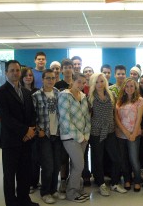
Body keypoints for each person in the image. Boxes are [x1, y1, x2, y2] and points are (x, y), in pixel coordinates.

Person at [0, 60, 39, 206]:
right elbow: (6, 118)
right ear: (6, 72)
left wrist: (31, 130)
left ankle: (24, 200)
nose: (15, 73)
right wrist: (25, 130)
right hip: (10, 142)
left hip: (26, 140)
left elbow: (32, 114)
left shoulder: (26, 92)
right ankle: (11, 203)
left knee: (24, 174)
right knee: (9, 175)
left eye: (17, 70)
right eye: (12, 70)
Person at [88, 73, 127, 196]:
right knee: (98, 160)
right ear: (93, 84)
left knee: (116, 158)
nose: (100, 84)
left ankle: (115, 183)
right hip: (96, 132)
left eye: (102, 81)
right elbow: (88, 116)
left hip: (110, 131)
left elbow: (114, 112)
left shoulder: (111, 94)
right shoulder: (90, 97)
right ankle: (101, 184)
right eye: (97, 82)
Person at [32, 69, 65, 204]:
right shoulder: (36, 96)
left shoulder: (59, 94)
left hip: (57, 134)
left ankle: (53, 190)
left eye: (52, 78)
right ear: (43, 79)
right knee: (48, 166)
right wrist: (38, 129)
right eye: (47, 78)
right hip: (44, 134)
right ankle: (45, 192)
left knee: (57, 165)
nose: (50, 80)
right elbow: (32, 116)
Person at [58, 73, 91, 203]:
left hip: (83, 137)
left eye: (84, 83)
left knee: (75, 165)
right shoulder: (64, 95)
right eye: (79, 82)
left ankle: (77, 189)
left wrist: (86, 135)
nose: (81, 85)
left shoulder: (83, 96)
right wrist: (79, 136)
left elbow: (87, 117)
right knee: (79, 165)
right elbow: (65, 119)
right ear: (72, 81)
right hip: (69, 137)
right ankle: (71, 193)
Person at [115, 78, 143, 192]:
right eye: (127, 86)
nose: (129, 88)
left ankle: (137, 180)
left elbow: (139, 118)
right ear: (123, 88)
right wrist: (125, 132)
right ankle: (127, 179)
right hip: (120, 134)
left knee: (133, 158)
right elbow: (116, 118)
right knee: (123, 159)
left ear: (135, 87)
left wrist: (132, 133)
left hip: (134, 134)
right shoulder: (119, 101)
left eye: (131, 86)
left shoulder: (139, 100)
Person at [54, 59, 74, 193]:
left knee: (77, 156)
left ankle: (75, 180)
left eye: (69, 67)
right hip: (62, 125)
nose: (67, 69)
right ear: (62, 70)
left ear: (73, 69)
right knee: (63, 156)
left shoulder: (77, 82)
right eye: (65, 67)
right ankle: (63, 180)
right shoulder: (57, 84)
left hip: (76, 124)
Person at [20, 67, 40, 194]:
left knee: (35, 158)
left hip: (34, 129)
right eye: (26, 75)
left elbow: (37, 112)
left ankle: (34, 182)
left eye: (31, 75)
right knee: (23, 160)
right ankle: (25, 183)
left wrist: (33, 129)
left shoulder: (37, 91)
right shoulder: (18, 91)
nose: (28, 77)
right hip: (21, 131)